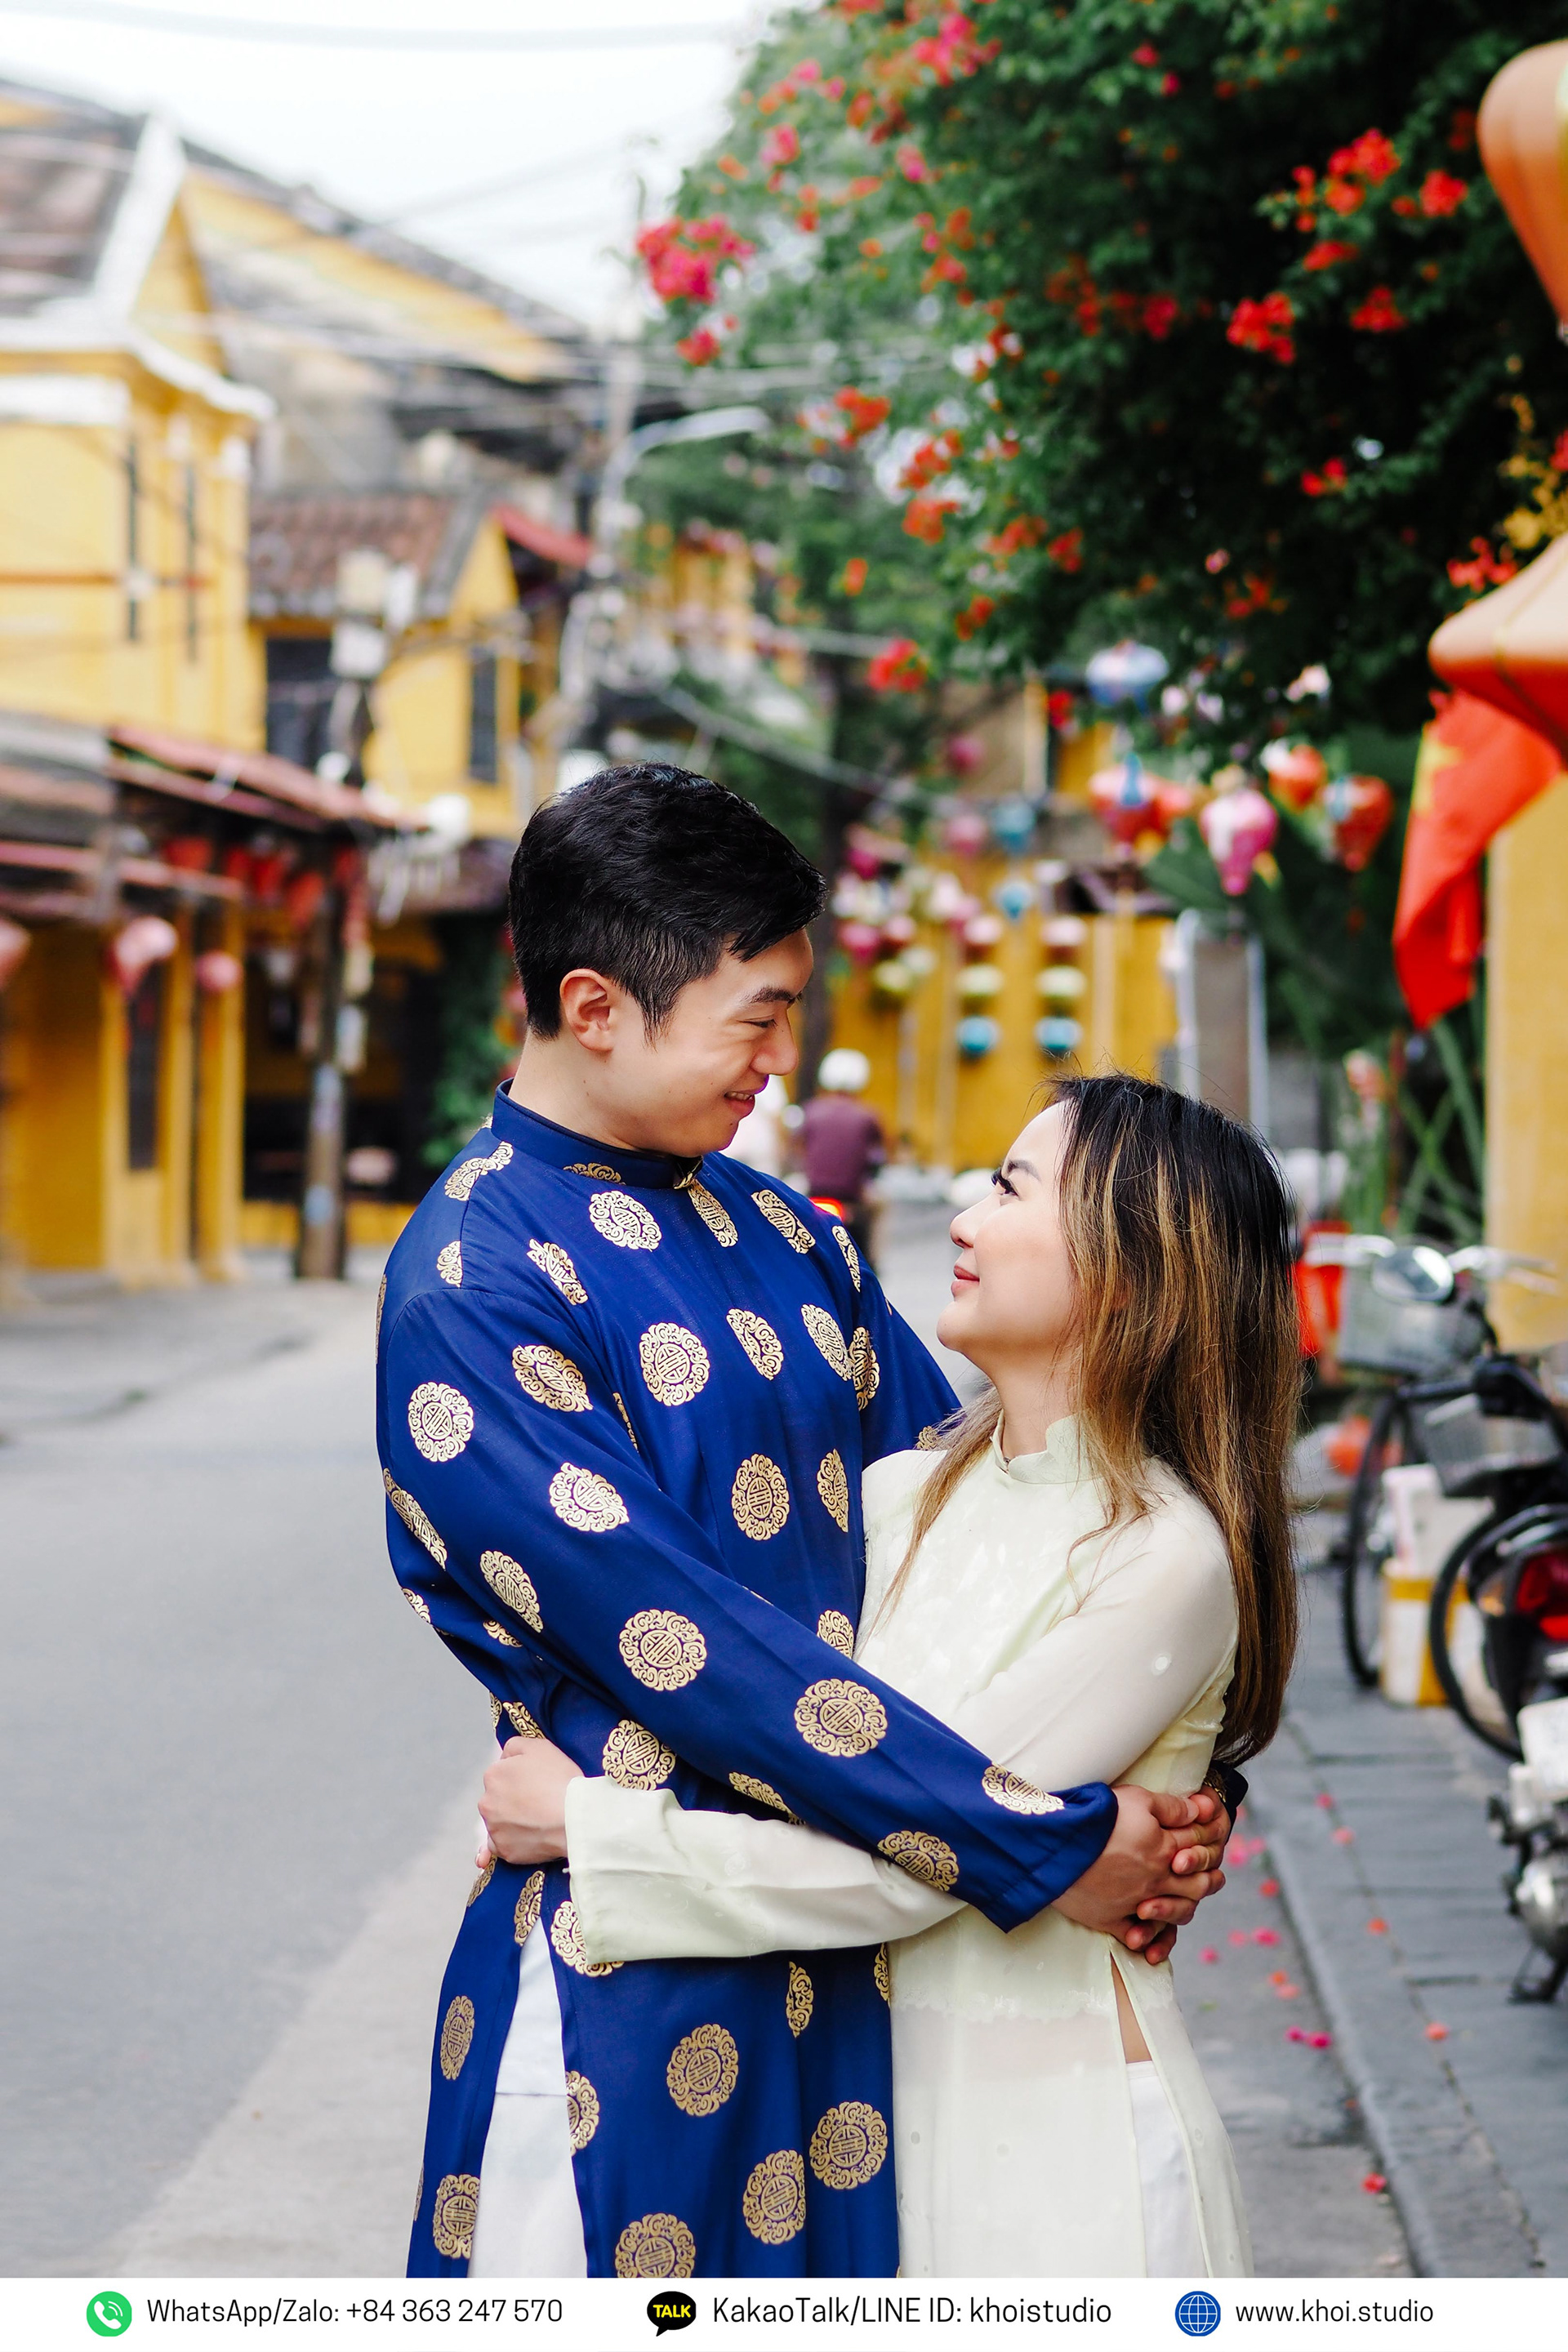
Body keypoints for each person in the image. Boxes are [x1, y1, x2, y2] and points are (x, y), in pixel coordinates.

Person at [376, 766, 1232, 2283]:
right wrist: (1043, 1840)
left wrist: (1153, 1756)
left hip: (858, 1968)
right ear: (594, 1008)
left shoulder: (784, 1237)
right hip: (630, 1963)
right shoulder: (473, 1282)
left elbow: (983, 1521)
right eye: (756, 1016)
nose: (787, 1058)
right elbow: (682, 1642)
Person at [479, 1076, 1302, 2277]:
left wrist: (588, 1830)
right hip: (870, 2127)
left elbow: (910, 1858)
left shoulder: (1163, 1554)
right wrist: (1059, 1843)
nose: (964, 1222)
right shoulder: (900, 1497)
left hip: (1063, 2140)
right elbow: (782, 1753)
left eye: (1012, 1189)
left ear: (1130, 1269)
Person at [800, 1048, 886, 1263]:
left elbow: (797, 1149)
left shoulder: (810, 1111)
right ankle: (873, 1261)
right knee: (882, 1206)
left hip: (813, 1190)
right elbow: (882, 1154)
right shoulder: (868, 1115)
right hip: (854, 1196)